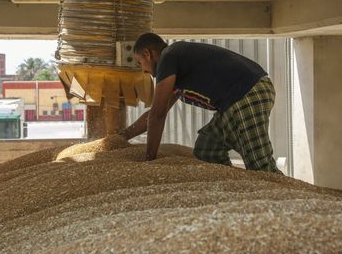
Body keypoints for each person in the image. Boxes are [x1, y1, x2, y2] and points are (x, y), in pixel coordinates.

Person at [119, 32, 282, 173]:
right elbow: (154, 113)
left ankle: (289, 200)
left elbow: (157, 115)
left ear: (148, 54)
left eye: (140, 63)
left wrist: (149, 159)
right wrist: (123, 136)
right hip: (233, 102)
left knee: (260, 166)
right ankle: (232, 186)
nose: (143, 70)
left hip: (247, 93)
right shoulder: (176, 66)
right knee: (207, 149)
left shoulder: (168, 57)